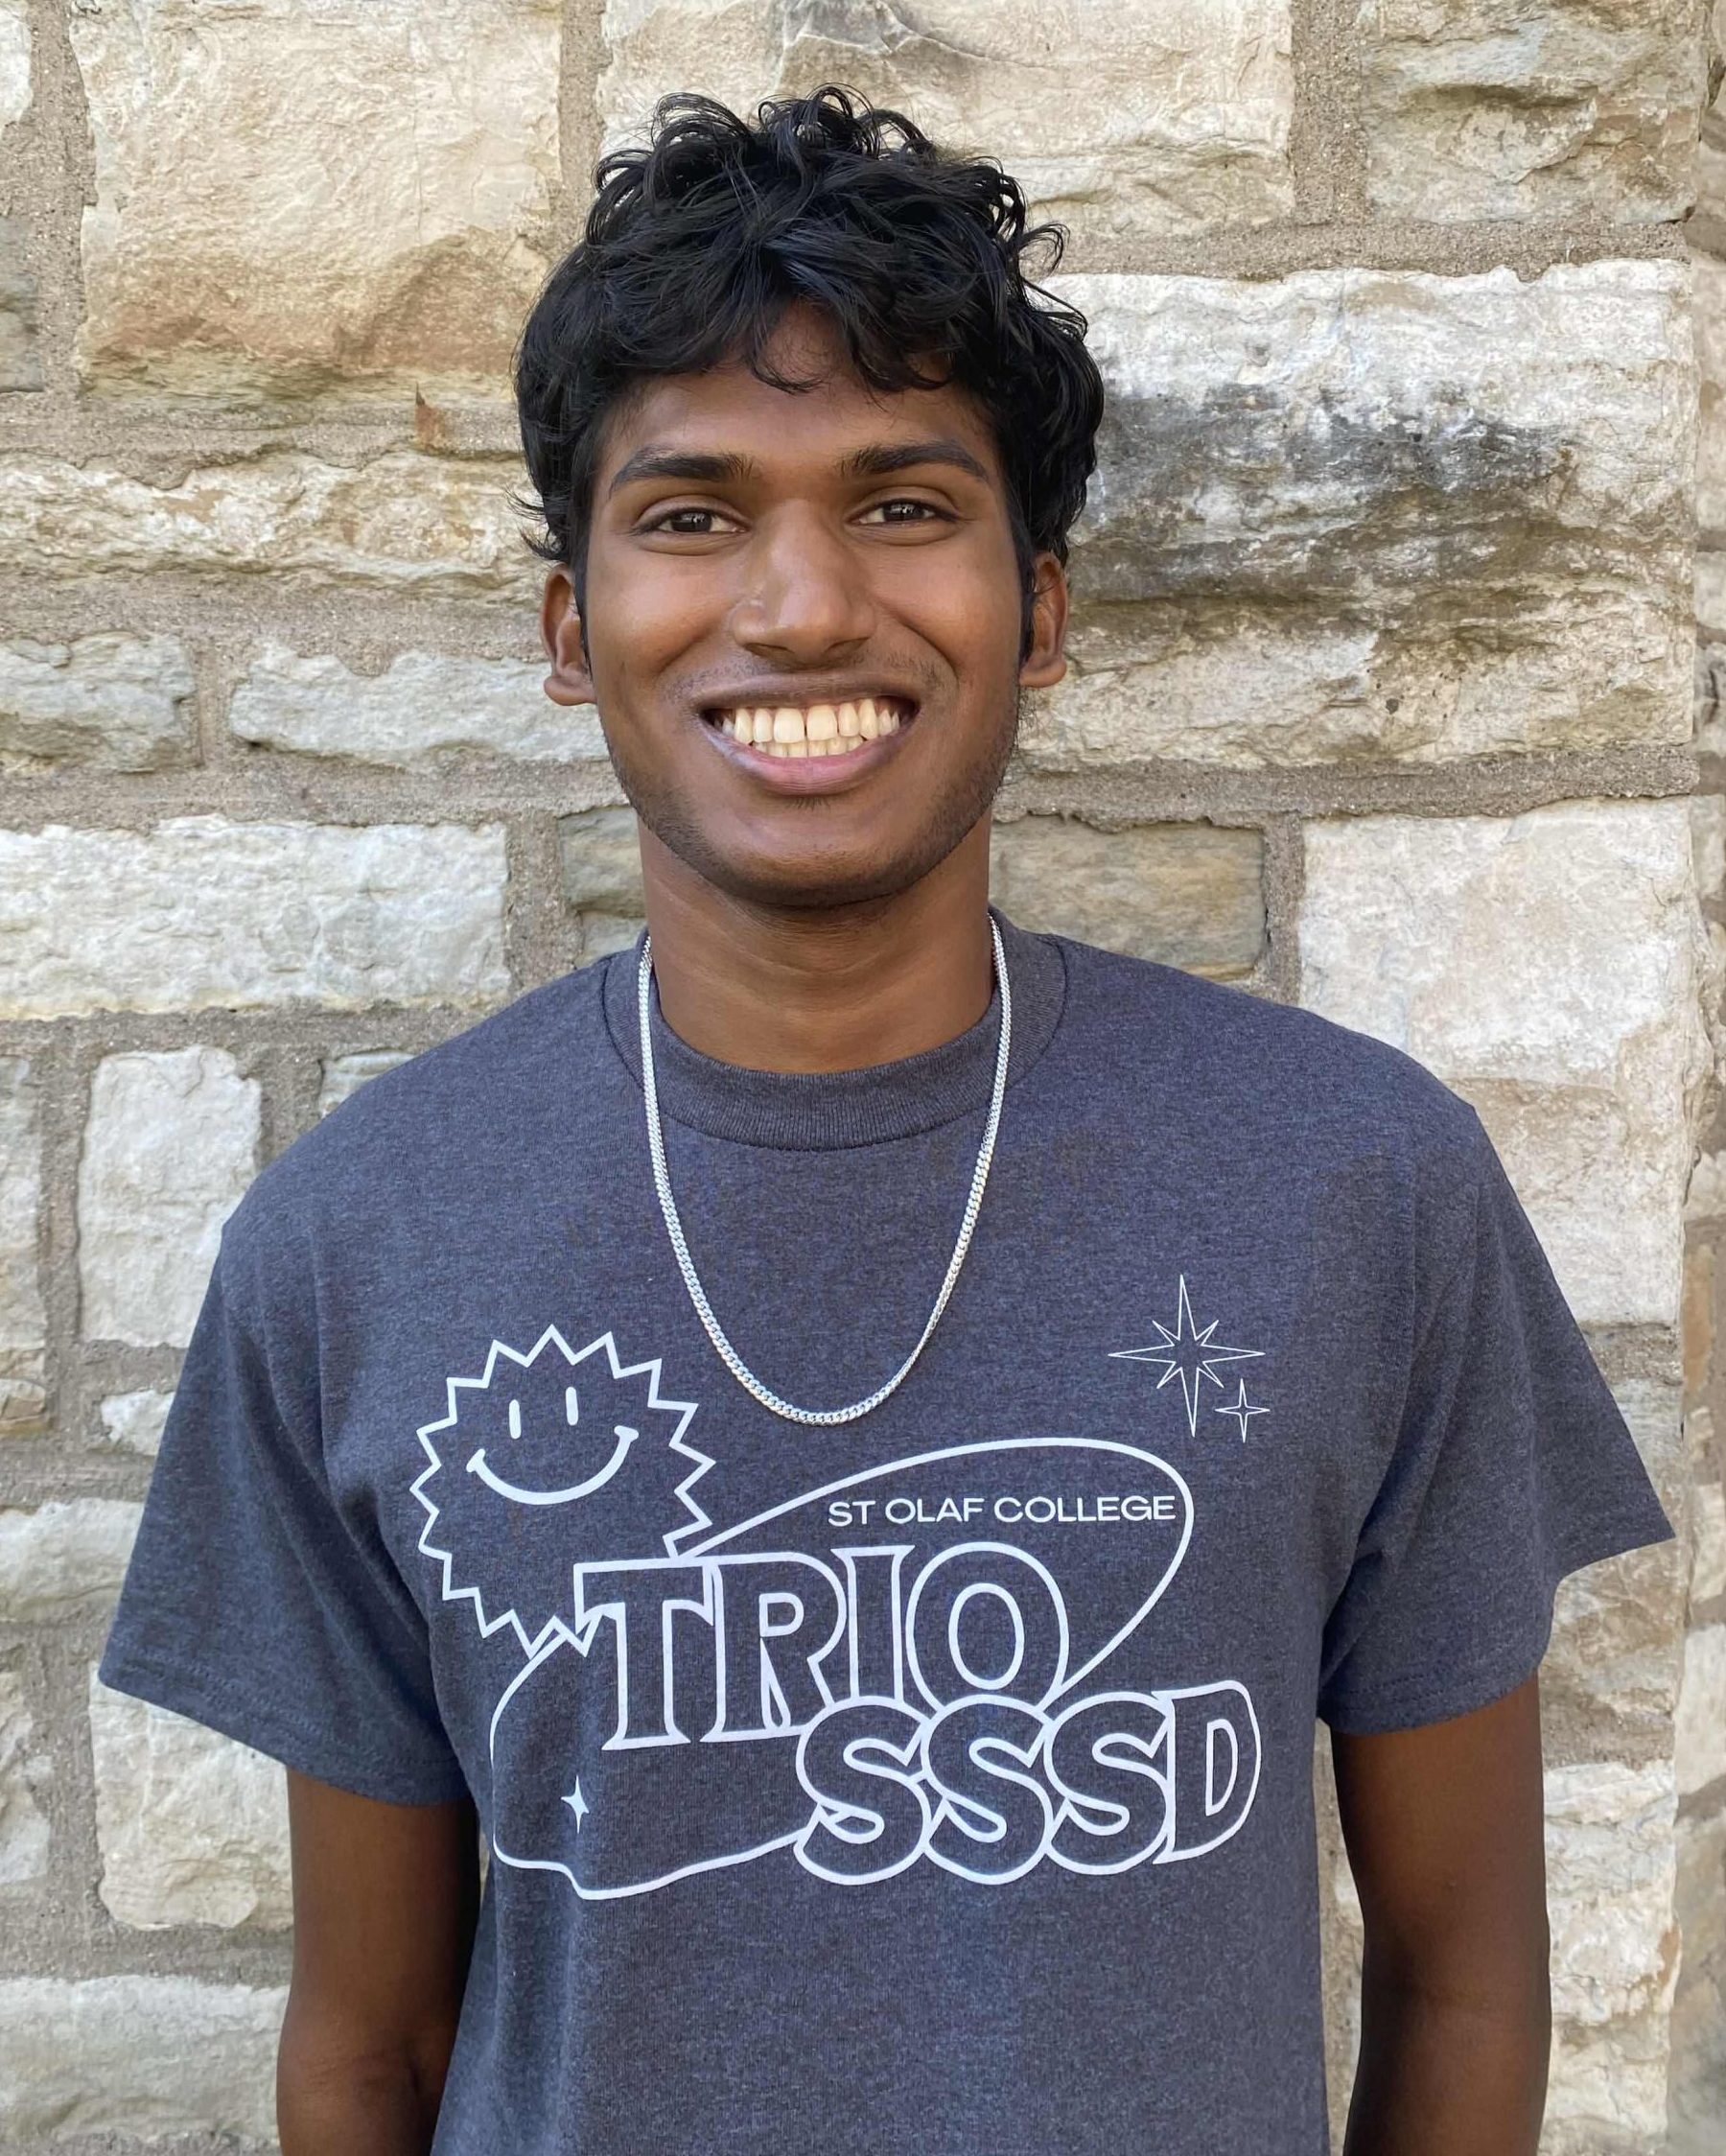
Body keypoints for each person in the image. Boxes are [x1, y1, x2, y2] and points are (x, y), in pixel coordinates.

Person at [98, 87, 1676, 2156]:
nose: (804, 605)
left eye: (905, 502)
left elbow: (1468, 1979)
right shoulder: (353, 1246)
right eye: (689, 513)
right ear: (573, 630)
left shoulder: (1356, 1185)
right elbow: (369, 2048)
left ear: (1039, 606)